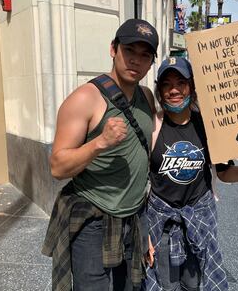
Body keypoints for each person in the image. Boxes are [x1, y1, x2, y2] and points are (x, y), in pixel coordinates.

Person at [42, 18, 159, 291]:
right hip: (93, 220)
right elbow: (57, 167)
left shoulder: (146, 96)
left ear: (151, 62)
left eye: (145, 55)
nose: (135, 61)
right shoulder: (86, 98)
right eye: (129, 51)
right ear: (113, 49)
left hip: (133, 218)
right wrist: (99, 143)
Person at [145, 57, 238, 291]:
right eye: (166, 84)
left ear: (191, 87)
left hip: (200, 221)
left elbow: (224, 173)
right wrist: (144, 233)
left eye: (181, 82)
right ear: (159, 90)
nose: (174, 90)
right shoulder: (152, 126)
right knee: (164, 285)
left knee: (194, 284)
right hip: (160, 224)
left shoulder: (209, 127)